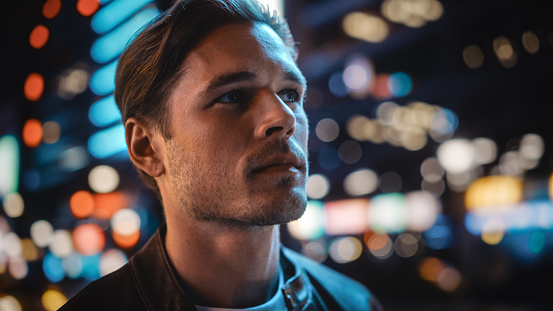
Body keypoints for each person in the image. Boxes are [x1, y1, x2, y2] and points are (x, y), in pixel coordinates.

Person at [60, 0, 382, 310]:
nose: (284, 118)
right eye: (232, 96)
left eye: (290, 94)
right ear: (147, 147)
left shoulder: (355, 304)